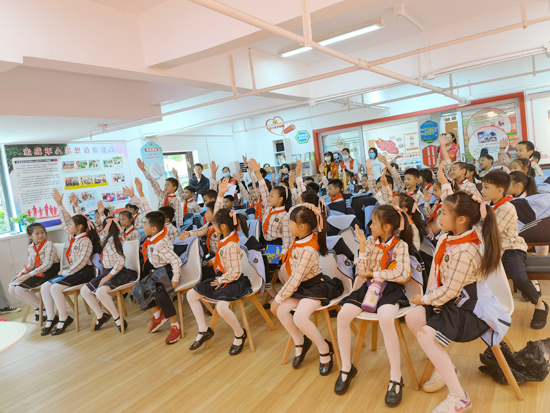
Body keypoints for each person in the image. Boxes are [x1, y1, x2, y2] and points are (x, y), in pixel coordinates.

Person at [405, 191, 510, 413]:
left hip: (470, 310)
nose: (439, 217)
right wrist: (427, 299)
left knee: (425, 335)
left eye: (443, 213)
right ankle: (448, 369)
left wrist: (425, 298)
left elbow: (451, 290)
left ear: (461, 219)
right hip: (454, 302)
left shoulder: (465, 249)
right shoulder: (453, 238)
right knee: (412, 317)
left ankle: (460, 397)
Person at [335, 210, 412, 404]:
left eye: (374, 223)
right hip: (369, 287)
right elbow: (362, 272)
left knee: (386, 318)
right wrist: (362, 246)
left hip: (391, 289)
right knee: (343, 316)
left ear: (386, 227)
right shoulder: (369, 242)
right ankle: (346, 368)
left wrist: (375, 273)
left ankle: (396, 376)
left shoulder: (401, 246)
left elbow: (402, 274)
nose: (370, 226)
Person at [271, 204, 342, 375]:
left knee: (300, 317)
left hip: (315, 286)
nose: (288, 225)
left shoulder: (309, 248)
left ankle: (325, 349)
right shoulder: (300, 239)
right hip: (302, 286)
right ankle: (300, 341)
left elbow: (295, 278)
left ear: (302, 226)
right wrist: (304, 206)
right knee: (281, 310)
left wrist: (278, 298)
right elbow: (296, 280)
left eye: (291, 223)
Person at [481, 171, 547, 329]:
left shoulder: (507, 207)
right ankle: (491, 311)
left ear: (499, 190)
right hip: (493, 250)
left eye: (486, 187)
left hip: (511, 248)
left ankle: (540, 305)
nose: (482, 191)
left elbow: (492, 232)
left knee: (518, 276)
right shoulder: (489, 206)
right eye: (482, 187)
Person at [186, 208, 251, 354]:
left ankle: (240, 334)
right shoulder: (225, 239)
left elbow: (236, 272)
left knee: (222, 307)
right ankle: (203, 330)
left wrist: (221, 279)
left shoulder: (232, 245)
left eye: (215, 224)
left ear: (223, 226)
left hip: (233, 281)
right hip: (223, 278)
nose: (213, 227)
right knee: (191, 294)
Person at [40, 189, 100, 336]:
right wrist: (59, 204)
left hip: (84, 272)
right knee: (45, 286)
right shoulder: (73, 237)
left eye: (71, 224)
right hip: (74, 271)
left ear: (79, 227)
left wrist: (66, 271)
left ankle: (63, 318)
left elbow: (81, 262)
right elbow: (66, 220)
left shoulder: (86, 241)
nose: (67, 226)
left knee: (55, 288)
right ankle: (51, 318)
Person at [81, 217, 138, 332]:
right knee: (84, 291)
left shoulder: (113, 242)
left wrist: (108, 276)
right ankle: (101, 315)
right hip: (108, 272)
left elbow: (121, 261)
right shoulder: (110, 239)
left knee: (100, 292)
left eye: (104, 227)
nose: (102, 229)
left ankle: (117, 318)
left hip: (118, 273)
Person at [135, 209, 182, 344]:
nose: (143, 226)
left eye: (145, 224)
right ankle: (158, 315)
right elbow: (149, 211)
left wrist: (175, 280)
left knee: (160, 294)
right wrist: (141, 197)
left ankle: (175, 325)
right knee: (138, 288)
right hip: (158, 271)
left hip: (168, 271)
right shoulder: (153, 237)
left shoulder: (160, 244)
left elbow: (176, 261)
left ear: (154, 229)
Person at [248, 158, 292, 298]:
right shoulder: (269, 208)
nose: (269, 198)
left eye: (273, 196)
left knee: (266, 274)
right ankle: (275, 298)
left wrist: (283, 252)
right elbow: (263, 190)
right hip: (267, 244)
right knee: (261, 271)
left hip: (276, 247)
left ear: (280, 199)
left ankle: (277, 298)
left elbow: (287, 238)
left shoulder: (285, 215)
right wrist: (257, 173)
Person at [8, 223, 60, 320]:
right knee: (11, 289)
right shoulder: (30, 247)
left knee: (19, 289)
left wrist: (28, 275)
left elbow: (47, 265)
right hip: (38, 271)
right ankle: (39, 308)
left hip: (49, 271)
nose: (41, 235)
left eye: (42, 232)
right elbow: (31, 265)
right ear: (30, 236)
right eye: (37, 233)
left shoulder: (49, 244)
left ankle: (44, 309)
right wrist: (22, 273)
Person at [137, 158, 183, 228]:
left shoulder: (177, 200)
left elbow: (179, 216)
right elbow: (153, 182)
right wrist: (143, 170)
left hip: (171, 224)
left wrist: (179, 229)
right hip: (160, 222)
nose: (165, 187)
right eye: (165, 185)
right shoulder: (162, 194)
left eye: (168, 185)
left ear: (174, 188)